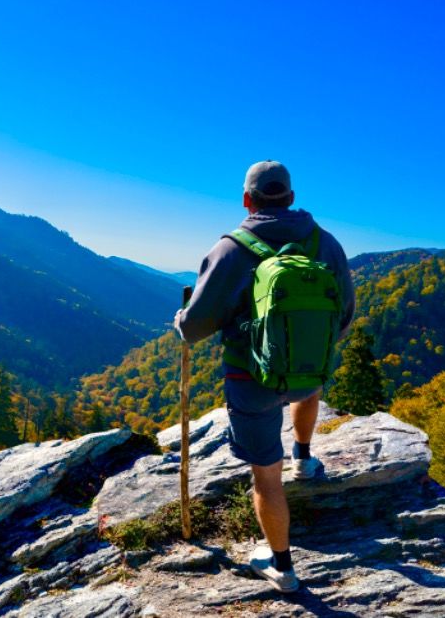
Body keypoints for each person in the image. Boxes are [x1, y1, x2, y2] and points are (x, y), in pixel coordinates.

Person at [173, 160, 355, 593]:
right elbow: (344, 315)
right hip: (309, 374)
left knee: (265, 478)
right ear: (291, 198)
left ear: (247, 199)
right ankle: (305, 458)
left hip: (250, 380)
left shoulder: (230, 250)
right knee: (305, 391)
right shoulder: (325, 244)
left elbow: (196, 326)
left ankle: (282, 567)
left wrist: (181, 318)